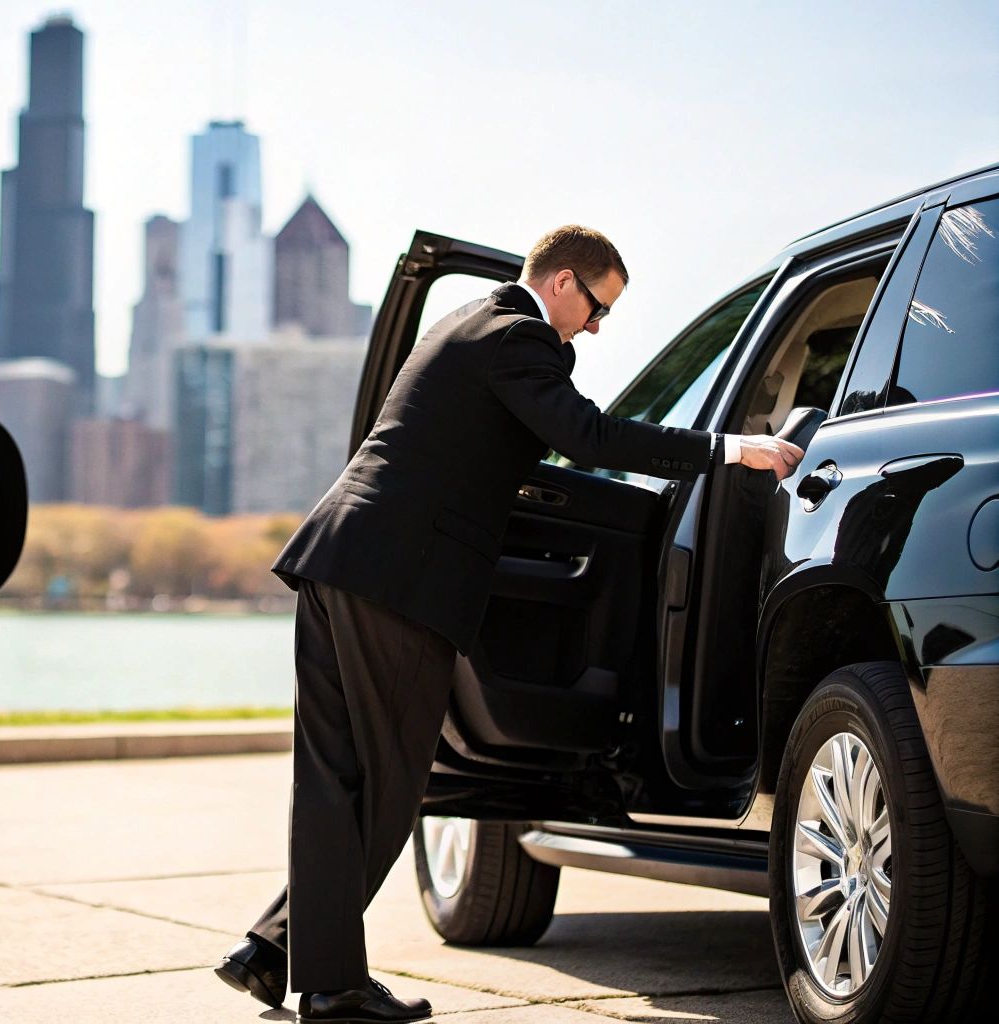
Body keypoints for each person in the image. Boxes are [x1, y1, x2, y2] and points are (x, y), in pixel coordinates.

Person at [212, 225, 804, 1023]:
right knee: (388, 787)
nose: (594, 328)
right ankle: (333, 987)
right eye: (597, 307)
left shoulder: (466, 322)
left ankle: (273, 951)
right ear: (562, 281)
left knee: (330, 779)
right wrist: (735, 450)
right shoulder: (521, 336)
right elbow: (589, 438)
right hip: (401, 582)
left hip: (339, 559)